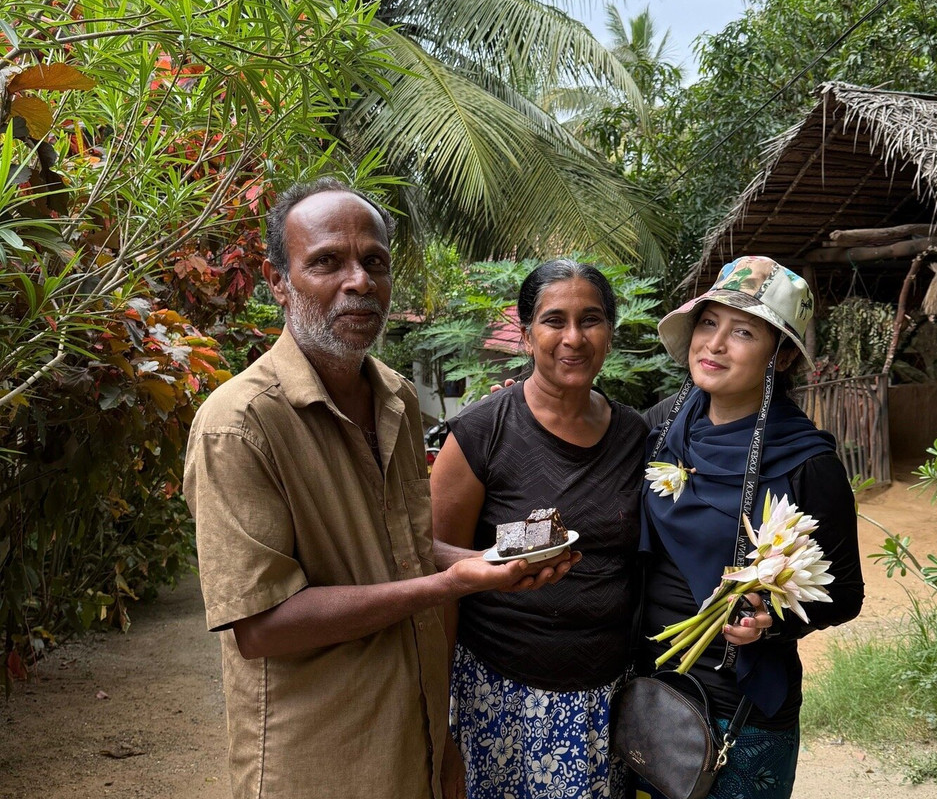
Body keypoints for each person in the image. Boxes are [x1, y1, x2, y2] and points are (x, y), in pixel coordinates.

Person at [184, 178, 573, 799]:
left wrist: (487, 563)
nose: (359, 281)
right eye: (326, 262)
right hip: (315, 766)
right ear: (278, 280)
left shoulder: (392, 396)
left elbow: (402, 549)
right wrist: (446, 585)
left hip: (411, 743)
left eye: (375, 262)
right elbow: (261, 625)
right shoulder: (239, 426)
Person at [637, 256, 864, 799]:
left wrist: (773, 621)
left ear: (781, 356)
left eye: (743, 331)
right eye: (709, 323)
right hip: (647, 686)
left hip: (739, 711)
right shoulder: (664, 423)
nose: (714, 344)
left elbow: (846, 595)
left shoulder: (807, 465)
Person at [431, 259, 648, 799]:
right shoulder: (482, 433)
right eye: (555, 320)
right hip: (499, 694)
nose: (573, 337)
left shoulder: (635, 436)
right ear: (527, 335)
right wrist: (439, 715)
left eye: (591, 319)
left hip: (605, 696)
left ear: (610, 333)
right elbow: (431, 554)